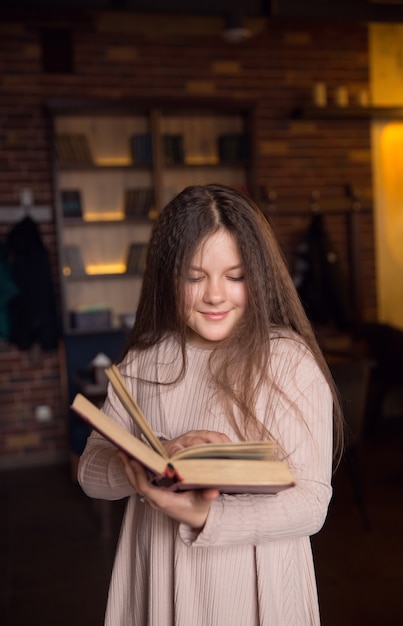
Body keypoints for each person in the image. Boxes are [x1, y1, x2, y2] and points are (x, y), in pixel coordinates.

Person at [78, 183, 343, 626]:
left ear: (258, 275)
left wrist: (205, 512)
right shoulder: (144, 359)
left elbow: (311, 503)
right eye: (195, 277)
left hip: (254, 585)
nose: (215, 295)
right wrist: (147, 460)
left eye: (235, 276)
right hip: (159, 570)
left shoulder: (287, 360)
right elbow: (90, 472)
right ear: (169, 276)